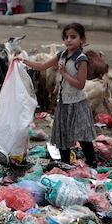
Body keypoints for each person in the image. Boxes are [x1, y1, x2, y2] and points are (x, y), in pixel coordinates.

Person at [16, 23, 98, 168]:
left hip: (78, 102)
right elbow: (42, 66)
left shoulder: (81, 59)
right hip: (64, 101)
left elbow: (80, 84)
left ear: (82, 39)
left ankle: (93, 164)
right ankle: (65, 163)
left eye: (73, 37)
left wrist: (64, 74)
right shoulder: (62, 55)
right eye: (66, 37)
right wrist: (23, 61)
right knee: (63, 135)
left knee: (83, 135)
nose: (69, 40)